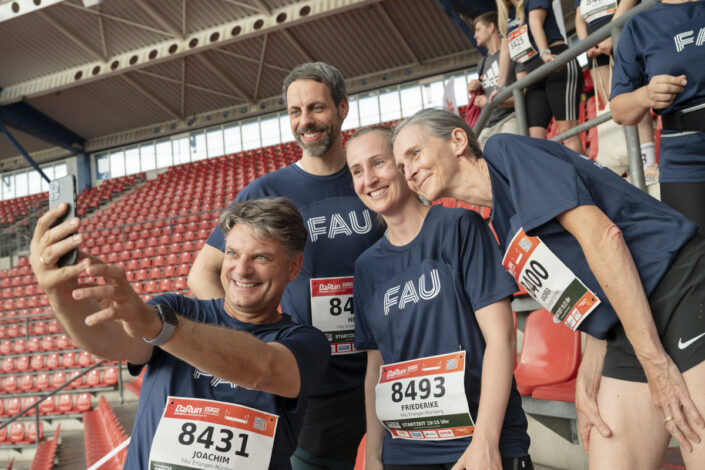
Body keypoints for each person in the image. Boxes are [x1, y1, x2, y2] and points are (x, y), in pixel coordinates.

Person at [393, 108, 705, 470]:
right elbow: (590, 290)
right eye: (401, 166)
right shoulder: (499, 225)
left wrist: (655, 363)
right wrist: (588, 373)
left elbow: (604, 239)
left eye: (415, 153)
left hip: (680, 285)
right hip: (628, 328)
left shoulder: (505, 152)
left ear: (459, 141)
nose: (408, 172)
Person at [30, 198, 331, 470]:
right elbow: (111, 340)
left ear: (293, 267)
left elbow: (262, 368)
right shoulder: (175, 309)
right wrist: (58, 291)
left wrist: (158, 327)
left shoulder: (307, 343)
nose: (241, 270)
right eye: (232, 253)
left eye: (261, 258)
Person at [188, 62, 381, 469]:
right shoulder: (267, 191)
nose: (305, 121)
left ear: (342, 108)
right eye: (295, 111)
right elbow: (203, 273)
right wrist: (246, 342)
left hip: (385, 370)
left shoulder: (372, 179)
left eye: (316, 108)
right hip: (312, 386)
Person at [346, 126, 532, 470]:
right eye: (357, 171)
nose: (369, 179)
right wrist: (374, 454)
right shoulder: (366, 267)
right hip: (406, 452)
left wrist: (486, 442)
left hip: (478, 444)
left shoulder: (460, 227)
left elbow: (501, 338)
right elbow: (376, 367)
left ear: (402, 166)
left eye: (378, 163)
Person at [609, 0, 705, 235]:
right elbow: (619, 111)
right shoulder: (638, 27)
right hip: (685, 158)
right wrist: (646, 95)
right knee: (698, 253)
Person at [574, 0, 658, 182]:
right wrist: (586, 43)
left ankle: (647, 161)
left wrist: (612, 29)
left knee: (635, 99)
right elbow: (579, 17)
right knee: (615, 105)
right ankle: (630, 162)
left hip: (623, 30)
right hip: (596, 46)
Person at [496, 0, 585, 153]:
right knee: (535, 141)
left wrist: (544, 53)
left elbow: (535, 22)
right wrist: (499, 88)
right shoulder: (507, 15)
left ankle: (585, 169)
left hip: (555, 63)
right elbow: (505, 50)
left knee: (567, 134)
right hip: (534, 76)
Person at [468, 11, 521, 148]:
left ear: (491, 27)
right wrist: (475, 87)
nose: (475, 35)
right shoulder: (482, 63)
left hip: (510, 118)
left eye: (478, 29)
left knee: (511, 155)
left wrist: (492, 102)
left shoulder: (512, 53)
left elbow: (522, 92)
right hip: (487, 125)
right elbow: (483, 94)